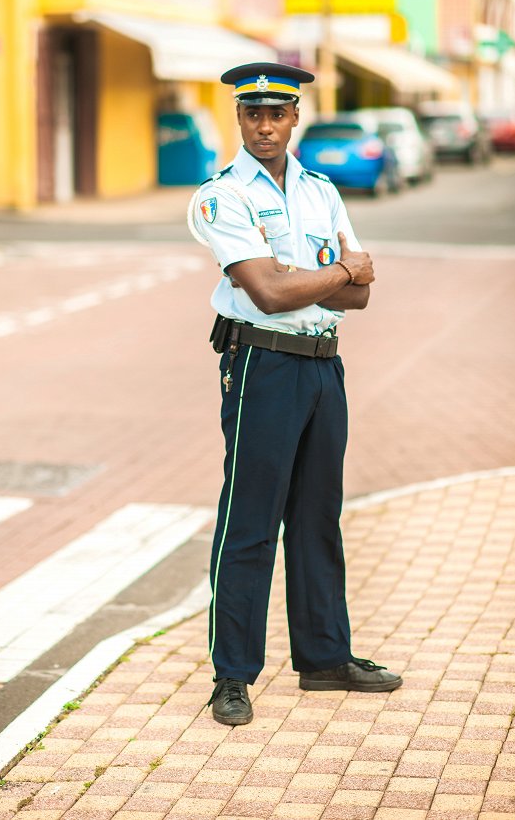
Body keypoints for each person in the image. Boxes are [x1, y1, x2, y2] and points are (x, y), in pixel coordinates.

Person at [189, 62, 402, 727]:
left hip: (322, 366)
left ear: (293, 118)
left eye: (275, 113)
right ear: (239, 118)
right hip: (262, 366)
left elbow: (360, 295)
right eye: (251, 113)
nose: (263, 125)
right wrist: (332, 271)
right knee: (249, 521)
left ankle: (322, 658)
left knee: (317, 516)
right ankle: (232, 676)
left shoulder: (320, 192)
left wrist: (313, 277)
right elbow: (270, 293)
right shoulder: (221, 196)